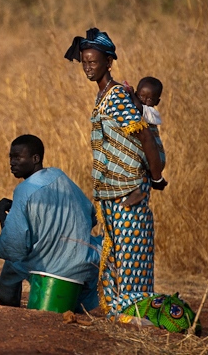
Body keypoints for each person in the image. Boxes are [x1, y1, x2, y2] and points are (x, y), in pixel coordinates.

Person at [64, 28, 167, 316]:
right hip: (112, 190)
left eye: (93, 62)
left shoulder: (118, 96)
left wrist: (154, 179)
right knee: (114, 253)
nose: (88, 67)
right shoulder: (104, 96)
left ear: (109, 62)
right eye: (85, 61)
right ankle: (117, 312)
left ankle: (136, 312)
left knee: (132, 253)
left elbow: (145, 136)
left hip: (129, 188)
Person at [0, 134, 100, 311]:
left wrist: (2, 215)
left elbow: (13, 245)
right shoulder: (60, 176)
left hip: (51, 269)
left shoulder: (24, 190)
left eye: (18, 157)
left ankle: (5, 297)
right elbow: (91, 216)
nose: (12, 163)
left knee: (15, 260)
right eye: (10, 157)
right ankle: (78, 307)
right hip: (84, 262)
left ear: (35, 159)